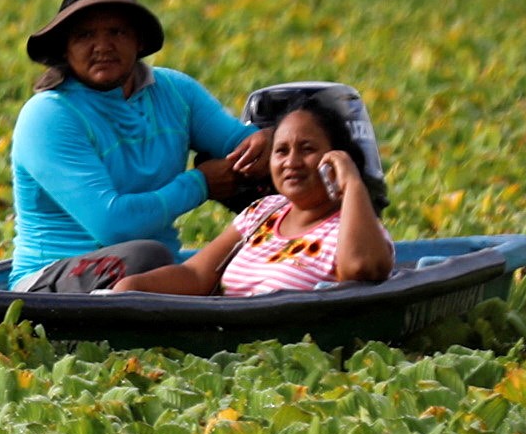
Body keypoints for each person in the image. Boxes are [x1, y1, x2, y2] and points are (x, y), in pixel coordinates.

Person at [5, 0, 270, 295]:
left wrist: (264, 145)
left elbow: (239, 145)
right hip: (53, 278)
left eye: (117, 32)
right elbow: (112, 225)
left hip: (152, 271)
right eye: (86, 35)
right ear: (65, 49)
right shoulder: (49, 115)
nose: (102, 46)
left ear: (139, 41)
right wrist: (200, 184)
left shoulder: (175, 91)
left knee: (260, 246)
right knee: (146, 254)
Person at [106, 89, 393, 296]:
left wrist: (352, 182)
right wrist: (132, 288)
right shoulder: (264, 211)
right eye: (281, 151)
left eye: (307, 149)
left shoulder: (353, 228)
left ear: (336, 158)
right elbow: (195, 275)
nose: (291, 162)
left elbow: (361, 269)